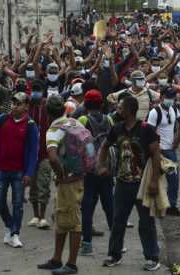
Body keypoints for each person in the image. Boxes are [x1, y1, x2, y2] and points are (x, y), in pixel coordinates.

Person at [99, 96, 162, 271]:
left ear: (129, 110)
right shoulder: (117, 128)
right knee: (118, 220)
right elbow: (105, 146)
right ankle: (114, 254)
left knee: (146, 222)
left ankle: (152, 257)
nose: (117, 109)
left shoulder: (146, 130)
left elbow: (156, 154)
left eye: (120, 107)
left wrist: (154, 181)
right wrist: (100, 165)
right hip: (121, 183)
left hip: (142, 184)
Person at [0, 92, 39, 249]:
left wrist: (29, 173)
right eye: (13, 103)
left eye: (18, 103)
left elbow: (34, 152)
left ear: (26, 106)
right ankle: (9, 224)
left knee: (18, 203)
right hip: (0, 169)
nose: (14, 106)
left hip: (19, 172)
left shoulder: (30, 125)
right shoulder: (2, 120)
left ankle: (15, 234)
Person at [37, 95, 85, 275]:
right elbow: (89, 146)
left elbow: (52, 157)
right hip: (78, 176)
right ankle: (56, 259)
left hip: (68, 181)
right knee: (61, 217)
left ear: (47, 113)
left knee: (73, 221)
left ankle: (71, 264)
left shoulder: (53, 130)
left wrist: (60, 175)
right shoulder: (74, 122)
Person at [76, 89, 114, 256]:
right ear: (101, 104)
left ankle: (86, 244)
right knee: (109, 206)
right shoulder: (109, 119)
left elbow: (77, 145)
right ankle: (117, 243)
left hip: (89, 171)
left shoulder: (82, 120)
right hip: (106, 169)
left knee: (87, 207)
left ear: (85, 104)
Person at [147, 87, 180, 216]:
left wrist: (178, 139)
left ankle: (171, 206)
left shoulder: (174, 109)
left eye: (173, 97)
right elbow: (150, 132)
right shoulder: (154, 112)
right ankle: (154, 205)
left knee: (174, 179)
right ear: (161, 96)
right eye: (168, 97)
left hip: (170, 150)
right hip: (158, 150)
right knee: (155, 179)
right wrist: (155, 149)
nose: (170, 100)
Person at [28, 80, 52, 229]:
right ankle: (35, 215)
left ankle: (42, 216)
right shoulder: (27, 107)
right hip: (30, 154)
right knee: (32, 187)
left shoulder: (48, 107)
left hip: (45, 153)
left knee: (43, 185)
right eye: (34, 89)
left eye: (38, 89)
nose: (36, 92)